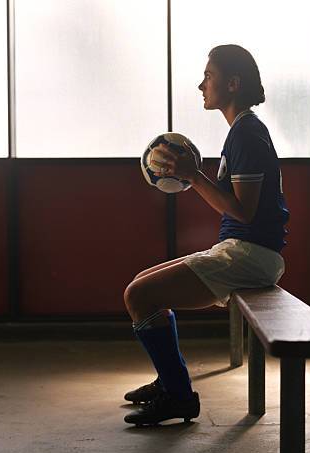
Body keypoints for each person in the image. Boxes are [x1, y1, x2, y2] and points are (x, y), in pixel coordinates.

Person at [122, 44, 290, 426]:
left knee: (139, 295)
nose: (201, 85)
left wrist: (192, 175)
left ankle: (178, 395)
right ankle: (171, 383)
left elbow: (244, 211)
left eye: (209, 77)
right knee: (141, 284)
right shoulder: (243, 131)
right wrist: (192, 175)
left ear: (232, 84)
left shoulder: (247, 133)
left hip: (251, 254)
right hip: (242, 248)